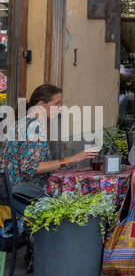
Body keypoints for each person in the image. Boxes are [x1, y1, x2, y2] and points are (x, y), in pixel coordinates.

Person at [0, 84, 96, 217]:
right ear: (41, 104)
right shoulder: (33, 127)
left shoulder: (22, 123)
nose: (60, 108)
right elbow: (33, 167)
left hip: (11, 194)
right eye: (57, 103)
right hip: (24, 198)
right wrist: (73, 159)